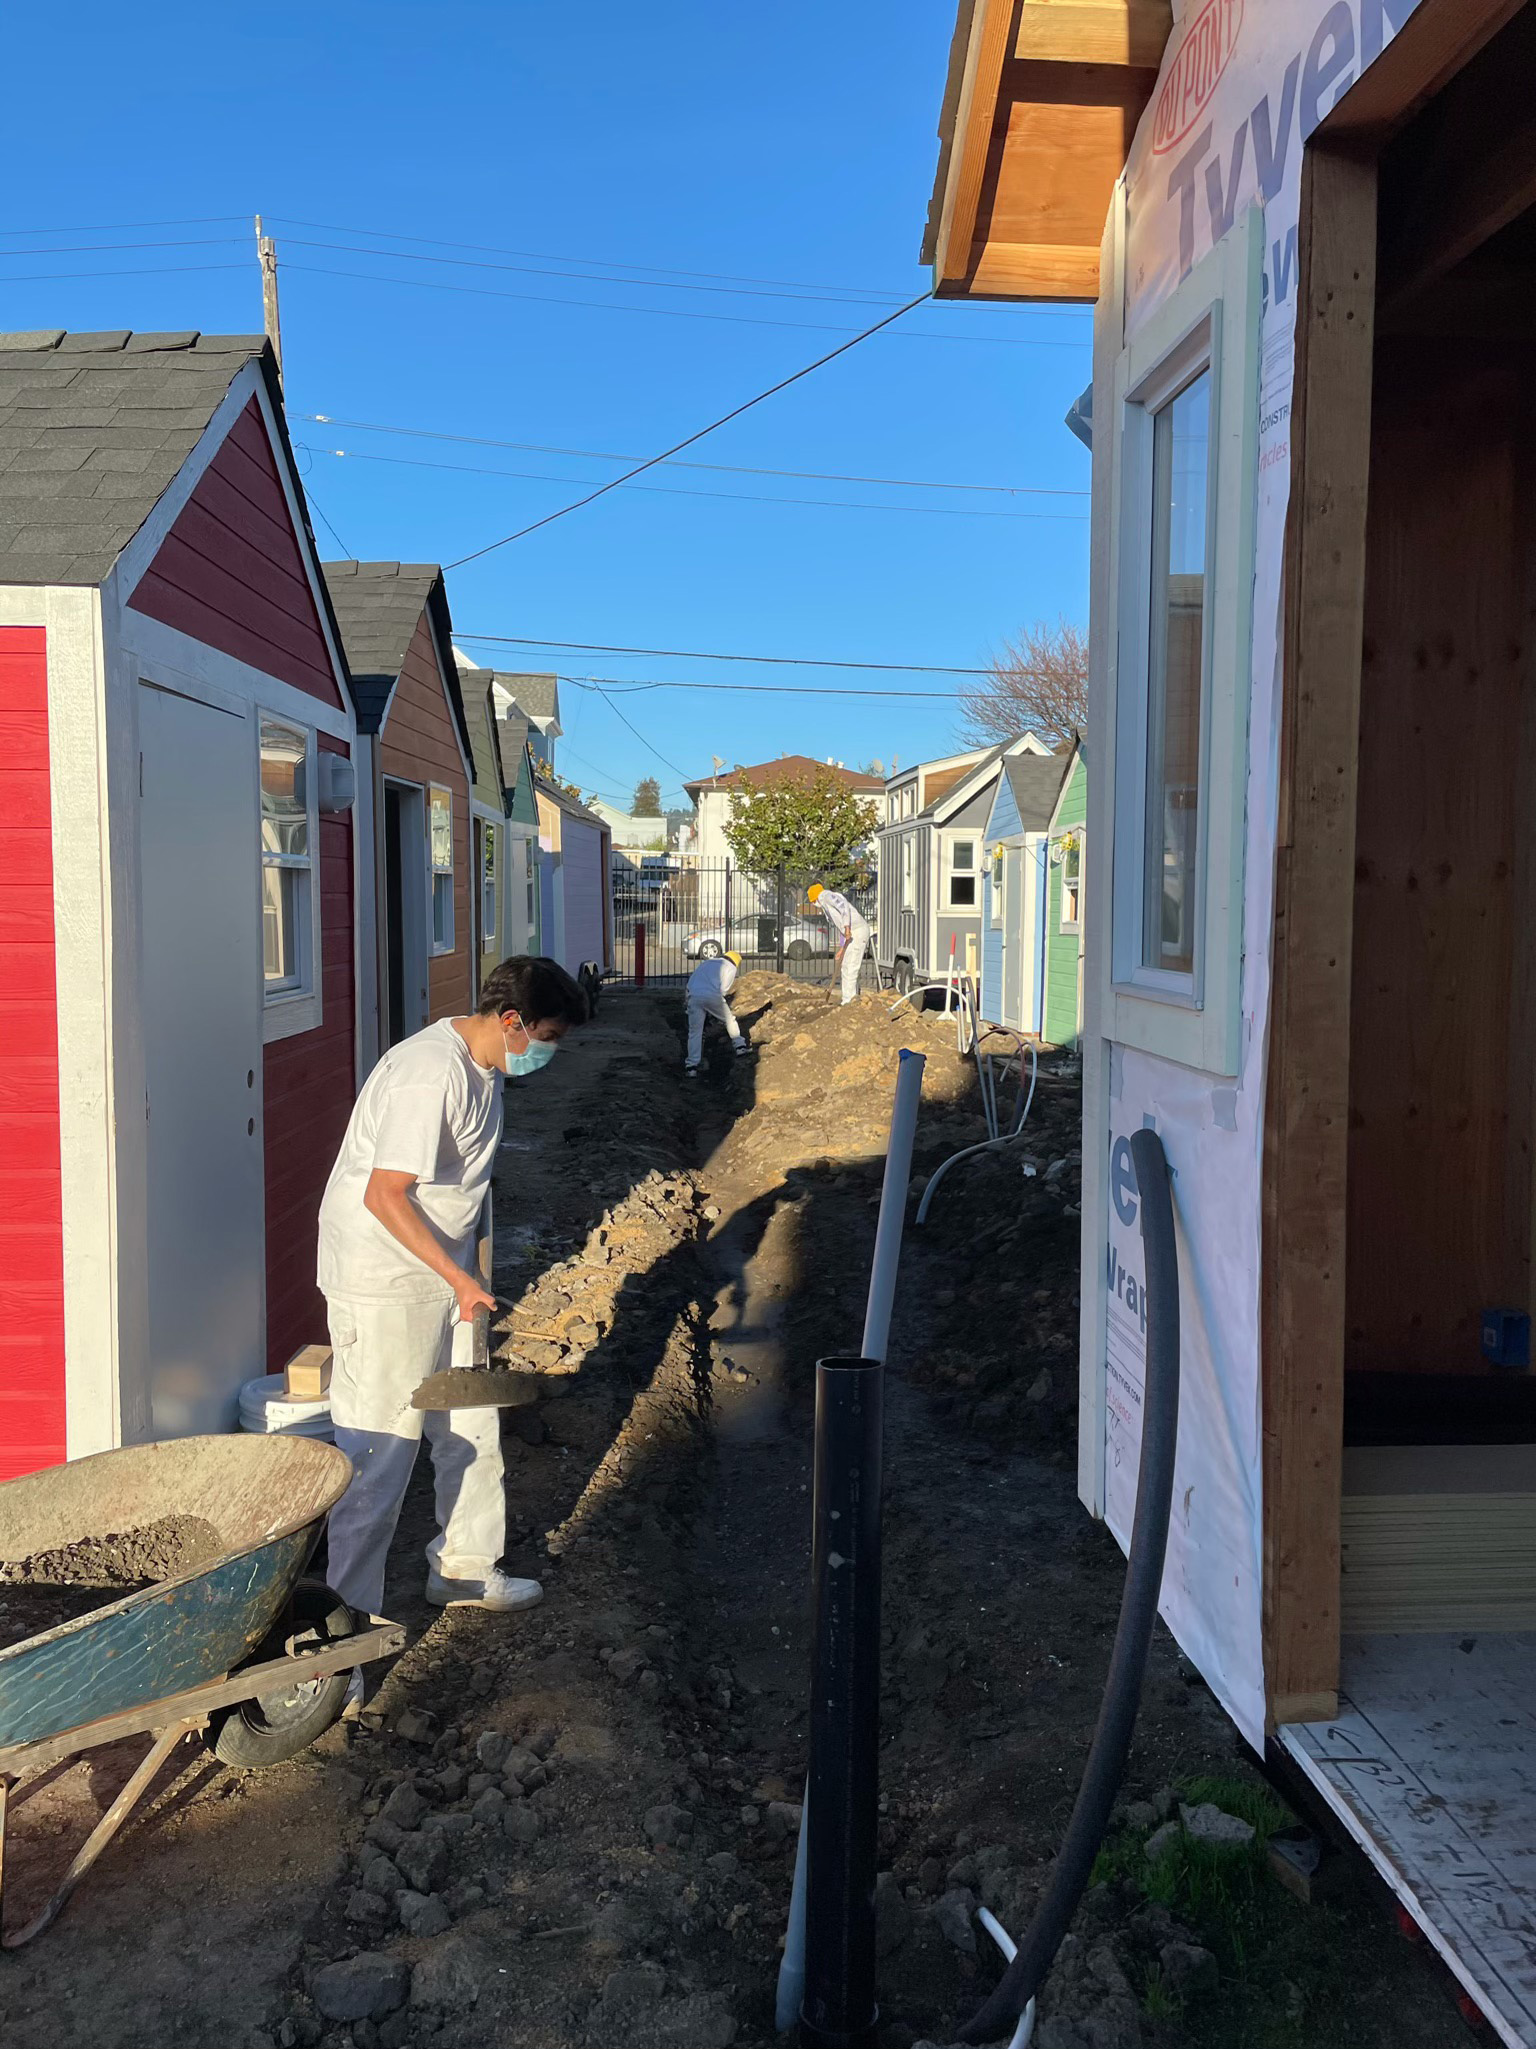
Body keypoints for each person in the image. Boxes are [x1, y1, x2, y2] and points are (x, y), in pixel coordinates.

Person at [316, 956, 588, 1640]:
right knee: (379, 1455)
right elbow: (385, 1194)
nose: (549, 1051)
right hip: (384, 1284)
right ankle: (341, 1639)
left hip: (443, 1278)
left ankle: (464, 1567)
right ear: (511, 1020)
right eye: (547, 1036)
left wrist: (468, 1274)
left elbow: (464, 1185)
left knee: (470, 1421)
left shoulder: (484, 1067)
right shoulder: (429, 1072)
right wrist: (458, 1275)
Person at [685, 949, 750, 1077]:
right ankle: (740, 1047)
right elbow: (723, 989)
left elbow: (690, 983)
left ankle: (691, 1067)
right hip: (712, 996)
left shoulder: (707, 963)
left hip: (694, 996)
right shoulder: (730, 967)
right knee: (729, 1020)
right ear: (736, 962)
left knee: (695, 1032)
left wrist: (688, 1002)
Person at [808, 883, 871, 1005]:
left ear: (814, 899)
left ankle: (849, 1002)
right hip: (852, 933)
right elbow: (841, 928)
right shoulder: (825, 905)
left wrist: (847, 927)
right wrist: (842, 949)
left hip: (857, 931)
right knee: (846, 966)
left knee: (850, 967)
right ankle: (848, 999)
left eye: (812, 902)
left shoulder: (826, 896)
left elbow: (843, 906)